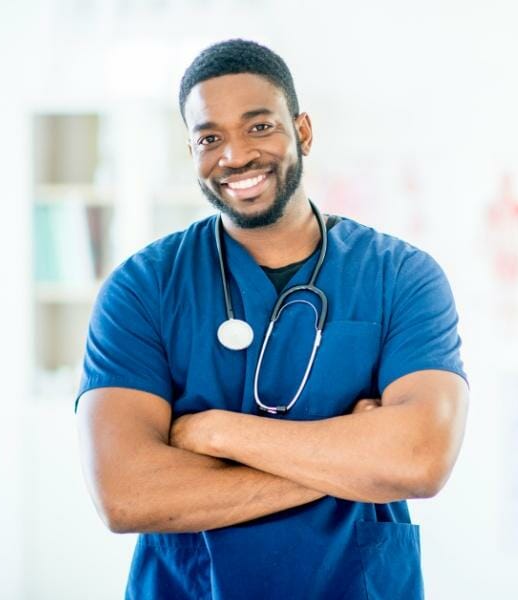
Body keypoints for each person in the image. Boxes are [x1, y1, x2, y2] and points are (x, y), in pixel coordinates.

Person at [75, 38, 468, 600]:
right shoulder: (142, 289)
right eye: (210, 138)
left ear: (303, 132)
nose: (235, 155)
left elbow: (419, 459)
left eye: (259, 126)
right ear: (192, 152)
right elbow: (124, 496)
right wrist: (351, 460)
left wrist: (213, 432)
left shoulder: (400, 277)